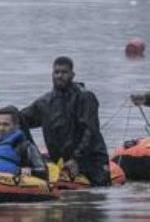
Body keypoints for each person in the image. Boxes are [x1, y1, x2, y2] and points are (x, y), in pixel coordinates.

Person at [20, 56, 112, 186]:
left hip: (91, 159)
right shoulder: (44, 102)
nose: (60, 76)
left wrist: (76, 159)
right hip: (60, 161)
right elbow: (19, 119)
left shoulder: (85, 97)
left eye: (64, 72)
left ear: (72, 75)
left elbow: (90, 131)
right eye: (56, 72)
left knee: (98, 192)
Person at [0, 106, 49, 180]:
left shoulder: (25, 147)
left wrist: (30, 171)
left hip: (14, 185)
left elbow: (43, 171)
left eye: (6, 125)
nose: (1, 128)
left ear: (16, 126)